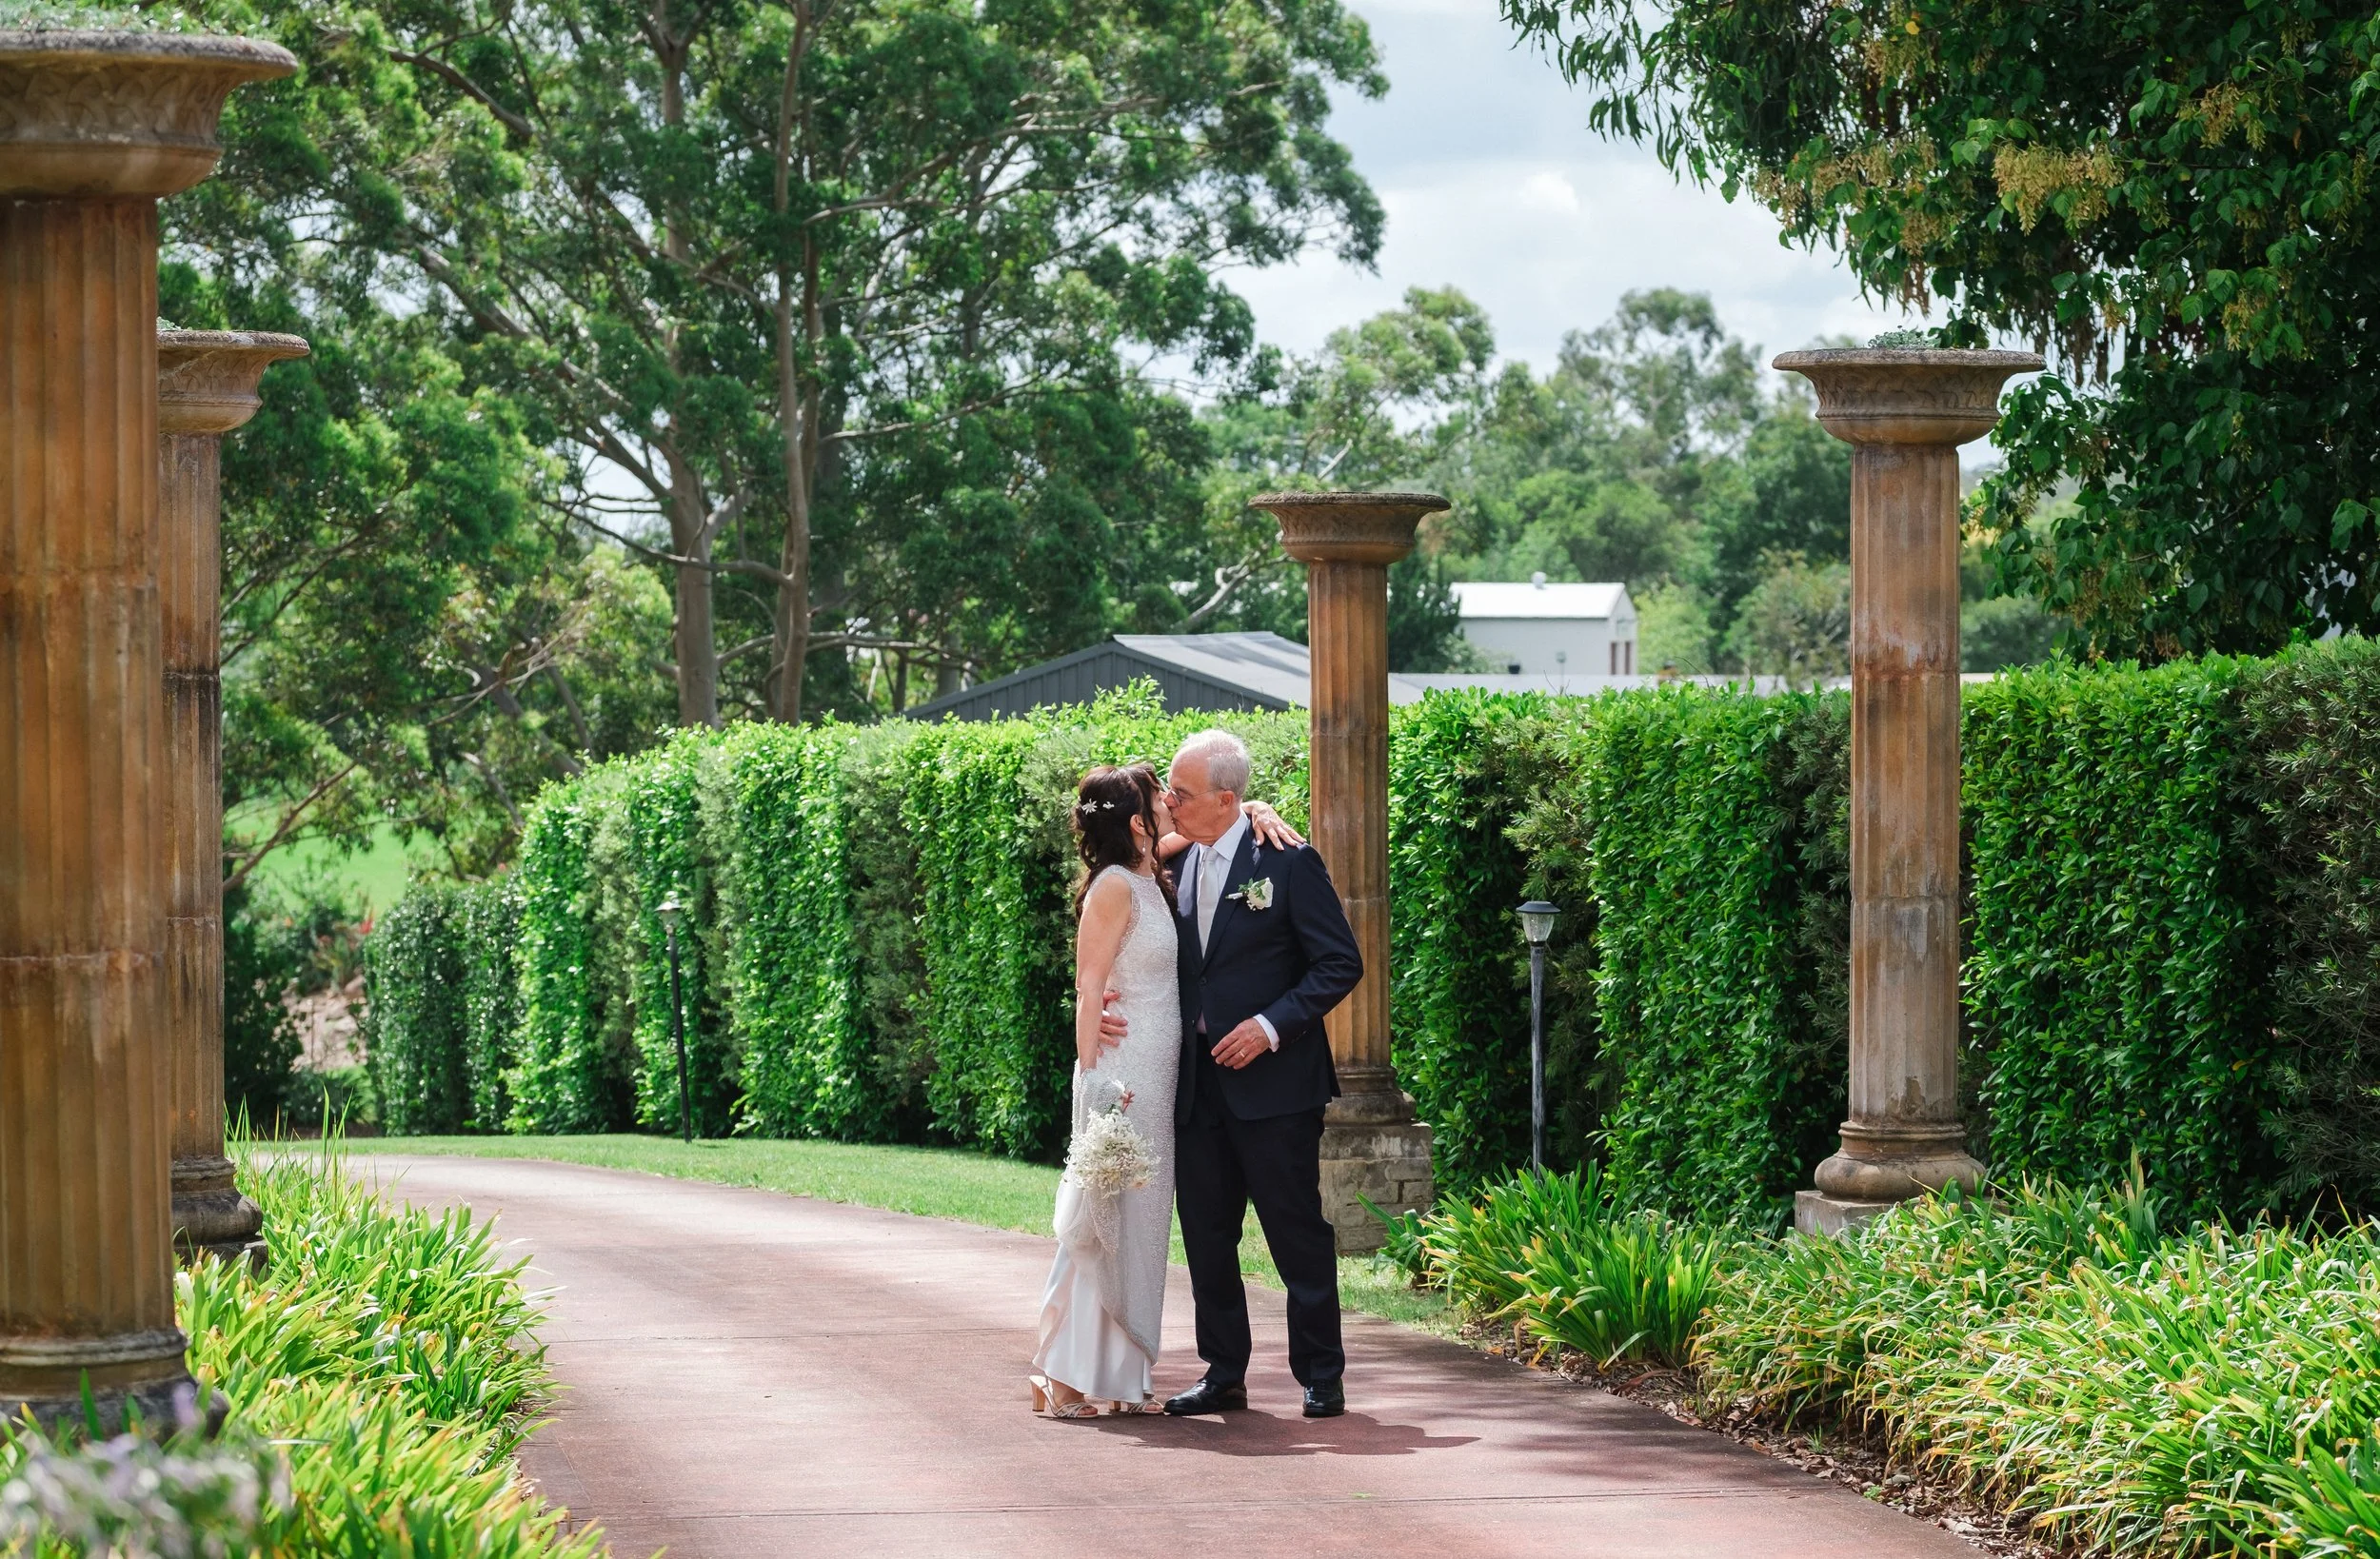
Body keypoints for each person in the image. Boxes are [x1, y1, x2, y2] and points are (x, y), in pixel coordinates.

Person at [1029, 761, 1299, 1418]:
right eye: (1162, 798)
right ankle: (1062, 1378)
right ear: (1136, 821)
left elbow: (1222, 823)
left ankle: (1118, 1374)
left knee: (1141, 1224)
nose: (1174, 805)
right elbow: (1090, 986)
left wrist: (1258, 807)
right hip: (1122, 1077)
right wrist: (1093, 1083)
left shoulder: (1156, 868)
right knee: (1103, 1219)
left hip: (1163, 1074)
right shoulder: (1115, 887)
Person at [1157, 729, 1362, 1420]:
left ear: (1225, 798)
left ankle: (1322, 1374)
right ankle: (1223, 1373)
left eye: (1180, 794)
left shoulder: (1289, 861)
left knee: (1295, 1231)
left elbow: (1339, 963)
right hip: (1196, 1088)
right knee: (1207, 1236)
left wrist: (1271, 1026)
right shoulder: (1174, 863)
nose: (1169, 803)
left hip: (1276, 1090)